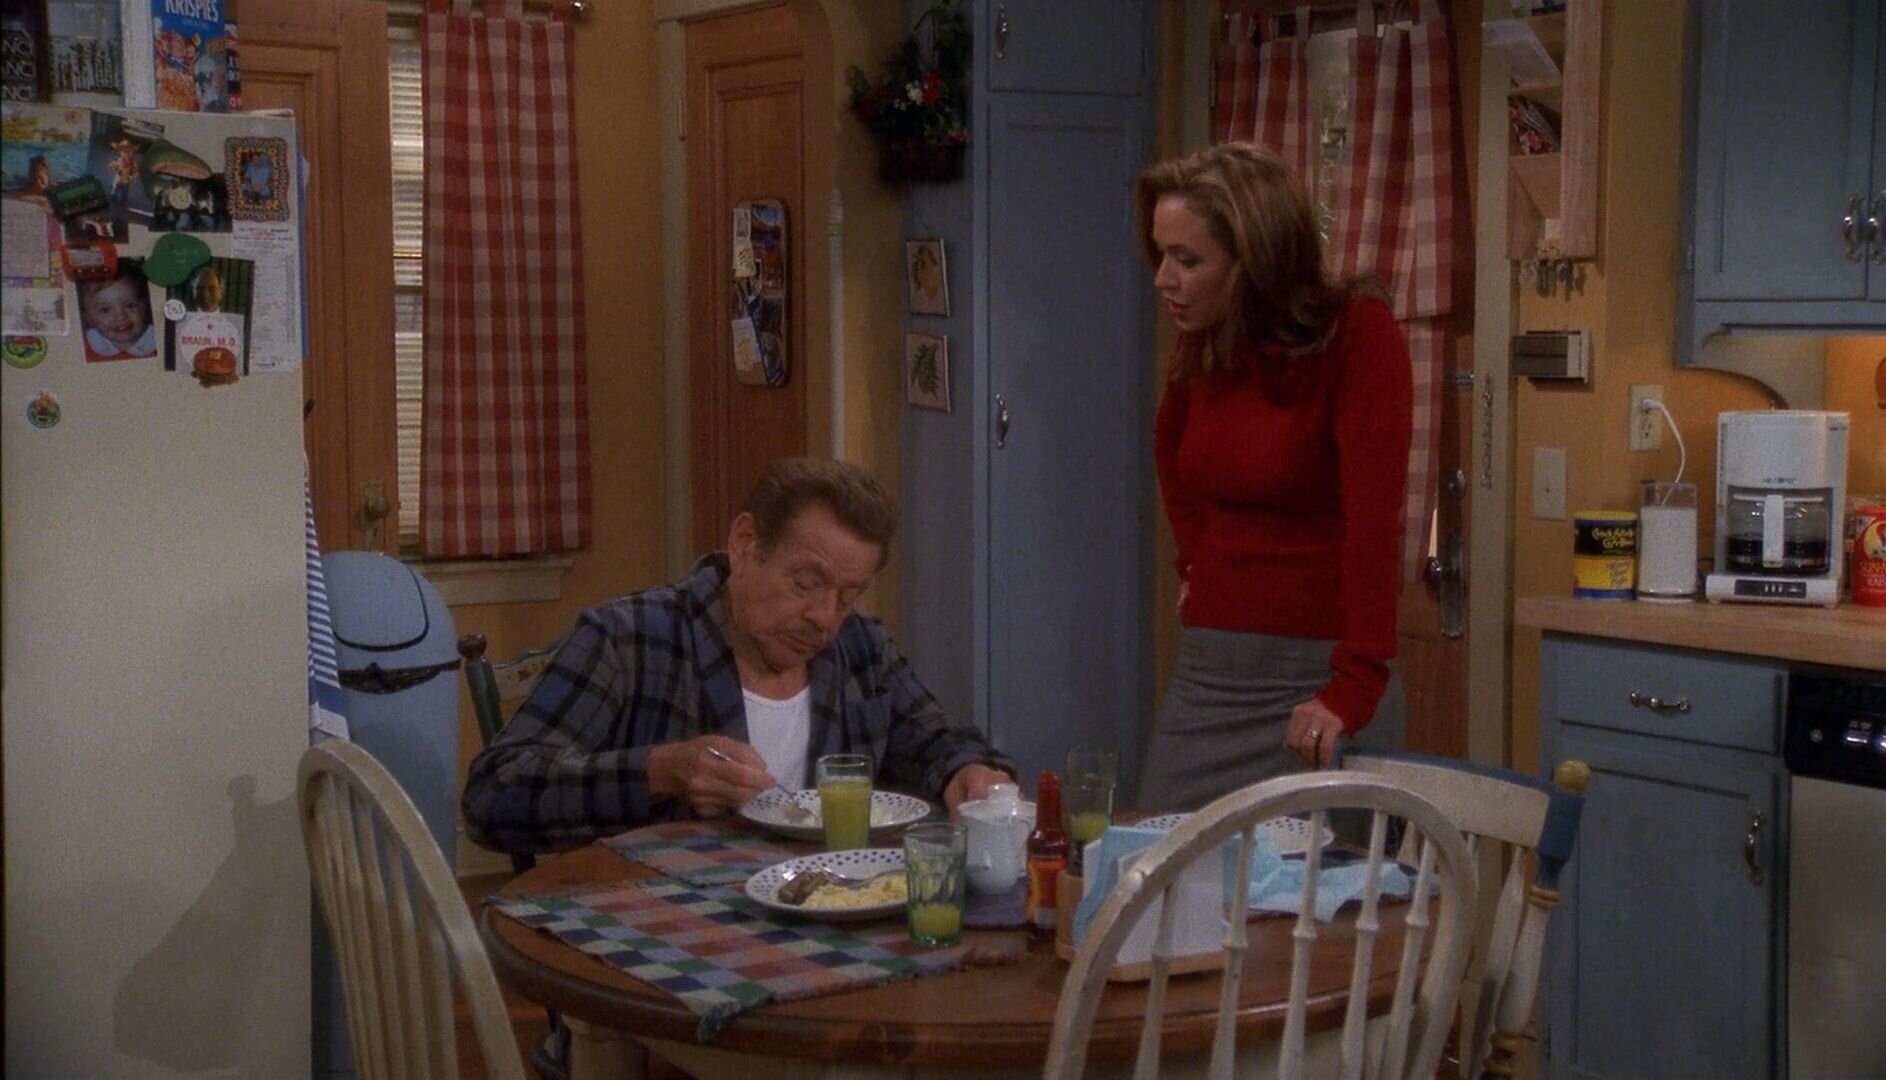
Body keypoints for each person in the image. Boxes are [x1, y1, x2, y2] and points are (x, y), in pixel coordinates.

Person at [463, 458, 1017, 854]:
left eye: (848, 596)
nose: (824, 617)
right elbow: (493, 796)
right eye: (806, 583)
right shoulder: (627, 639)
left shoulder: (861, 647)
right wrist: (658, 772)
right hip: (660, 935)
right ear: (745, 544)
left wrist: (965, 771)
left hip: (828, 927)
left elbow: (941, 741)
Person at [1133, 141, 1413, 813]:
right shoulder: (1206, 341)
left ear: (1252, 260)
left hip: (1319, 674)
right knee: (1158, 856)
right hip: (1210, 669)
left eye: (1187, 260)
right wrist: (1194, 562)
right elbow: (1173, 455)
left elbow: (1375, 522)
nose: (1163, 278)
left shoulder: (1356, 333)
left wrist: (1355, 682)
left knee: (1317, 878)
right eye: (1161, 254)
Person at [77, 263, 157, 361]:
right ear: (89, 318)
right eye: (105, 310)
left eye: (130, 306)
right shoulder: (82, 348)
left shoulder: (159, 339)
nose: (121, 317)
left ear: (145, 306)